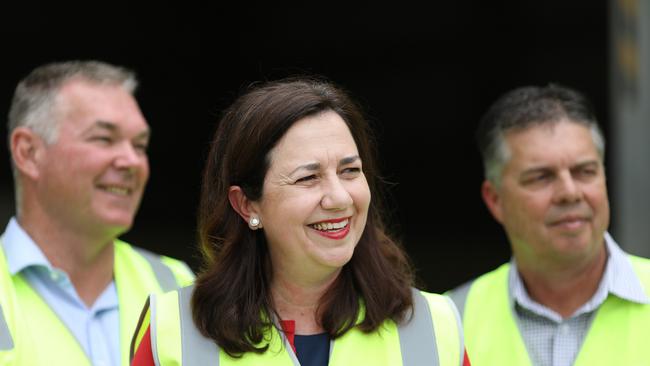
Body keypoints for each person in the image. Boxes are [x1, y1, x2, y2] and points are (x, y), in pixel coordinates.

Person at [130, 78, 470, 366]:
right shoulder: (173, 330)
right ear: (246, 204)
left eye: (350, 171)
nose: (339, 198)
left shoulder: (435, 325)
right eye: (308, 178)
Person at [0, 60, 195, 366]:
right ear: (28, 153)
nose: (132, 161)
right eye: (104, 139)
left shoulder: (179, 284)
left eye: (140, 145)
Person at [447, 84, 650, 365]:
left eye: (585, 172)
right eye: (541, 177)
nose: (569, 192)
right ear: (495, 200)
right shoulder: (447, 322)